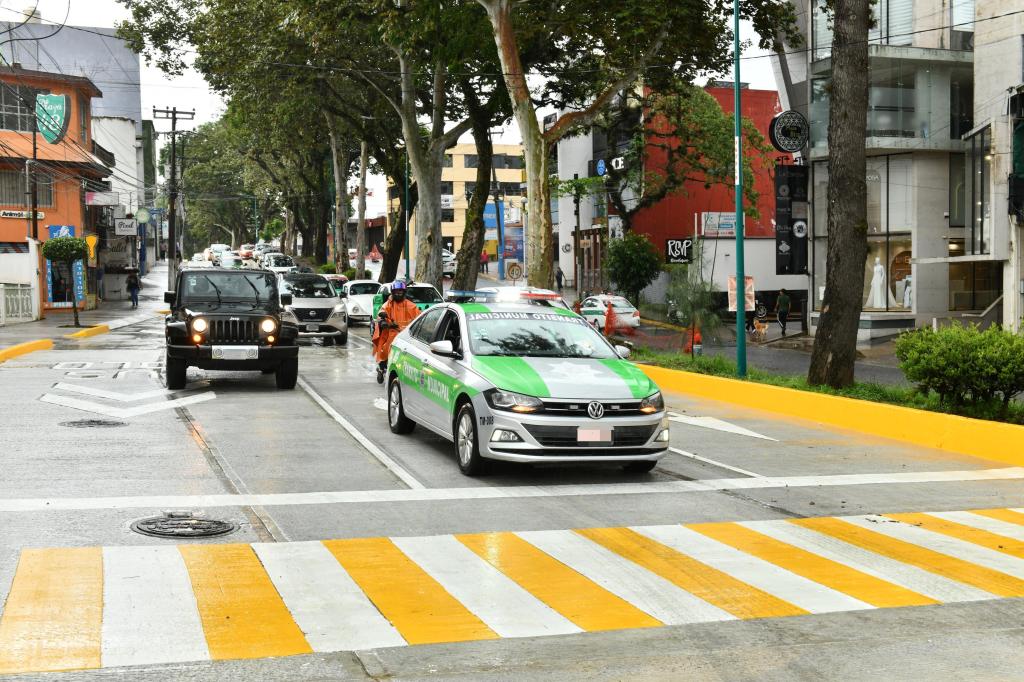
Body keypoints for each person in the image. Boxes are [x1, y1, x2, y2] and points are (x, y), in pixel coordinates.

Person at [372, 281, 421, 384]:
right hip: (392, 333)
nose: (398, 294)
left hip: (407, 335)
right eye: (396, 292)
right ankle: (381, 367)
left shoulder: (412, 306)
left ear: (404, 292)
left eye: (400, 292)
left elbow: (420, 320)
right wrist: (383, 322)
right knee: (386, 349)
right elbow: (380, 315)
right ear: (392, 292)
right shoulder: (388, 305)